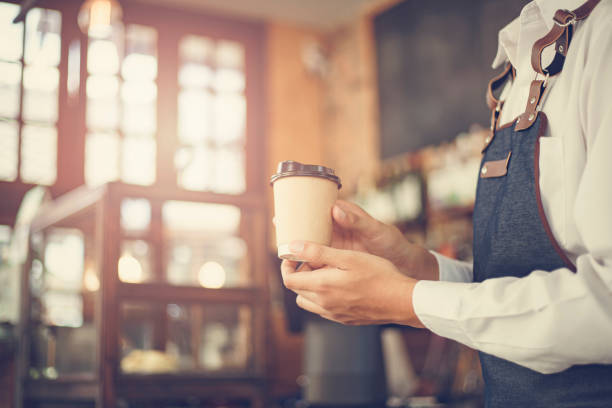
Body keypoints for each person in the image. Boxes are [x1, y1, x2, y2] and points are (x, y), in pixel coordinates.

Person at [280, 0, 612, 406]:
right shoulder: (519, 57)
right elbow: (514, 281)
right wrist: (410, 264)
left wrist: (405, 300)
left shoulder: (604, 35)